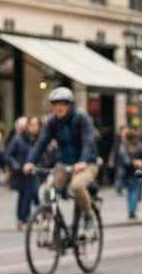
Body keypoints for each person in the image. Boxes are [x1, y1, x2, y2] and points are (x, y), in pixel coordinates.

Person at [23, 87, 99, 223]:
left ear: (69, 105)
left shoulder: (82, 118)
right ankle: (55, 225)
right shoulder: (52, 121)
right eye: (55, 104)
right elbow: (41, 142)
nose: (58, 108)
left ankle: (89, 215)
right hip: (64, 163)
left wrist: (83, 161)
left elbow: (88, 142)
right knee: (47, 190)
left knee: (77, 186)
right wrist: (30, 162)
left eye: (62, 104)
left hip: (87, 163)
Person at [5, 116, 39, 230]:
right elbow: (8, 155)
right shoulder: (18, 139)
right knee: (25, 196)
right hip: (21, 172)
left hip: (31, 171)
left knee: (28, 196)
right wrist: (15, 164)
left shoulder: (33, 139)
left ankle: (25, 219)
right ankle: (24, 219)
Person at [115, 128, 142, 219]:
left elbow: (122, 160)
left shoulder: (124, 146)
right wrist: (139, 162)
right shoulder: (139, 145)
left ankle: (130, 210)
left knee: (130, 192)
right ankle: (132, 210)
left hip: (127, 172)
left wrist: (132, 162)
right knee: (135, 191)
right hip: (137, 172)